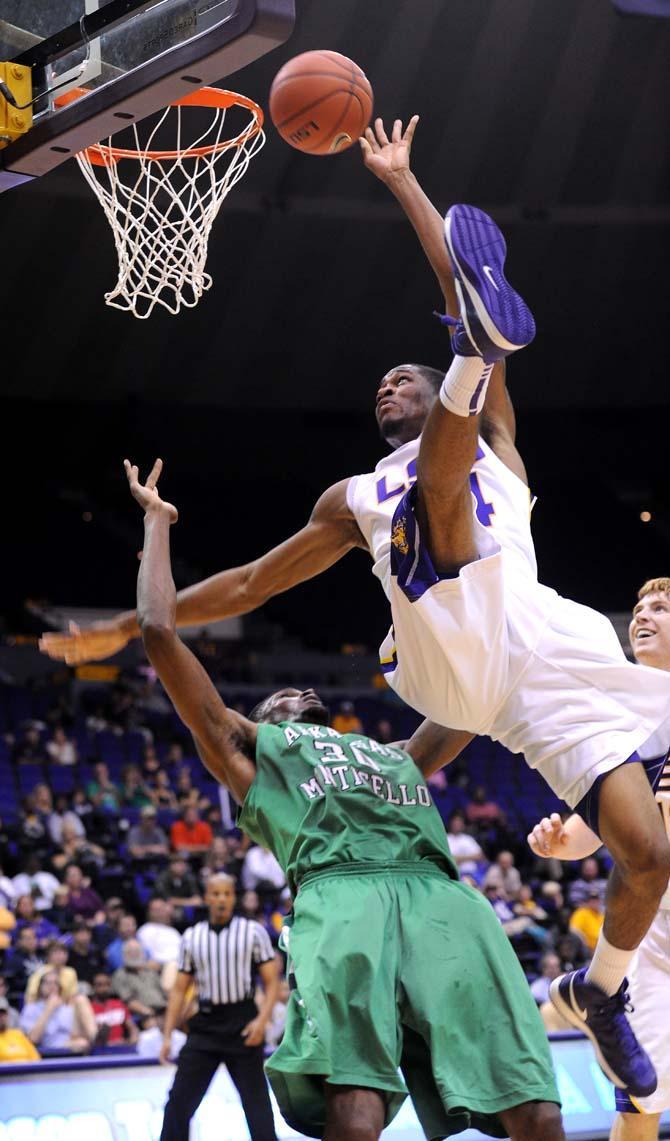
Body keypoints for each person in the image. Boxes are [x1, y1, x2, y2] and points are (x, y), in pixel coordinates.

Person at [39, 115, 670, 1099]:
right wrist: (124, 629)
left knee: (649, 852)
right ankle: (467, 375)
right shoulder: (350, 497)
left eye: (404, 374)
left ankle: (599, 992)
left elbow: (453, 281)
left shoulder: (500, 446)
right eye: (386, 380)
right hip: (443, 654)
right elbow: (247, 585)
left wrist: (401, 181)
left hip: (540, 656)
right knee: (435, 497)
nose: (385, 380)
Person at [120, 456, 563, 1141]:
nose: (304, 693)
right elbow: (158, 630)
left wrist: (500, 558)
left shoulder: (397, 753)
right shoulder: (249, 748)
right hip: (340, 889)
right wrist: (157, 523)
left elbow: (483, 689)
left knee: (524, 1084)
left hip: (444, 897)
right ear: (266, 714)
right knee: (353, 1086)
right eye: (285, 696)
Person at [530, 576, 670, 1140]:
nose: (644, 615)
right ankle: (574, 1002)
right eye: (638, 607)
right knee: (644, 1100)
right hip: (653, 931)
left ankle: (567, 1005)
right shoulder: (622, 715)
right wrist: (562, 840)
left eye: (660, 607)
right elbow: (599, 825)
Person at [159, 874, 279, 1141]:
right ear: (206, 898)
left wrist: (262, 1021)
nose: (222, 899)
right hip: (206, 1025)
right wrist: (167, 1035)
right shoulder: (192, 937)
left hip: (243, 1022)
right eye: (216, 894)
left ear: (234, 897)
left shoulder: (253, 932)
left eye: (227, 893)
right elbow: (179, 990)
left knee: (257, 1107)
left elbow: (272, 982)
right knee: (178, 1103)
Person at [19, 969, 97, 1055]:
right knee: (82, 1043)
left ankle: (96, 1037)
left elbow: (74, 1033)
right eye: (48, 983)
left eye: (55, 983)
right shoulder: (31, 1008)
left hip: (72, 1040)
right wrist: (49, 1009)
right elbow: (33, 1039)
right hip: (47, 1049)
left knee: (81, 999)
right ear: (40, 987)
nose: (52, 986)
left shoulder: (66, 1008)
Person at [90, 971, 139, 1047]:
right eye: (100, 985)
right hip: (100, 1049)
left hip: (121, 1046)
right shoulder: (89, 1008)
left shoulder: (119, 1004)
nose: (104, 988)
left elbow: (132, 1028)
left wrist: (132, 1040)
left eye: (107, 984)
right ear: (93, 987)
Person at [0, 997, 40, 1063]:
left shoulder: (18, 1035)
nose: (1, 1017)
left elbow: (36, 1059)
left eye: (3, 1013)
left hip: (28, 1071)